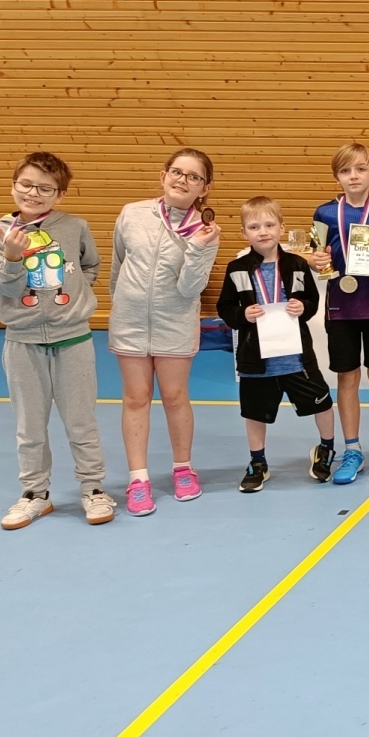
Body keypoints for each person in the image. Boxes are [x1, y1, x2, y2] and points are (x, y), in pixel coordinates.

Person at [0, 152, 112, 529]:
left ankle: (93, 488)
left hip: (73, 339)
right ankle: (35, 494)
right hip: (22, 342)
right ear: (13, 185)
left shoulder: (74, 227)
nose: (33, 193)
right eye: (26, 184)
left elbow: (90, 265)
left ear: (60, 194)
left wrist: (75, 296)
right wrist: (12, 258)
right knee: (30, 426)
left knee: (81, 421)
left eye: (44, 188)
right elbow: (4, 287)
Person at [109, 148, 222, 515]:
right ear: (163, 175)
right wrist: (122, 306)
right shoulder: (132, 213)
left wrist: (197, 249)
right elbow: (118, 267)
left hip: (175, 322)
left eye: (193, 177)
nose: (182, 180)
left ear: (204, 188)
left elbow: (191, 288)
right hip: (129, 322)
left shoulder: (205, 231)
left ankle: (183, 469)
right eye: (176, 172)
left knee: (174, 397)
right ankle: (138, 479)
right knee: (135, 398)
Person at [217, 198, 336, 493]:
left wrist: (303, 308)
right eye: (254, 227)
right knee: (254, 412)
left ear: (282, 228)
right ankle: (257, 462)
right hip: (256, 359)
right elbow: (225, 308)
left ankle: (326, 449)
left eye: (269, 225)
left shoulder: (297, 264)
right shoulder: (236, 268)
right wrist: (242, 315)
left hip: (296, 358)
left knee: (322, 402)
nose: (263, 232)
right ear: (244, 232)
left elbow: (312, 301)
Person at [310, 143, 369, 483]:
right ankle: (352, 449)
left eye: (361, 169)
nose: (354, 176)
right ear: (336, 176)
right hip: (340, 308)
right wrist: (317, 261)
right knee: (347, 378)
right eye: (346, 170)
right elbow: (316, 257)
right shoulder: (324, 212)